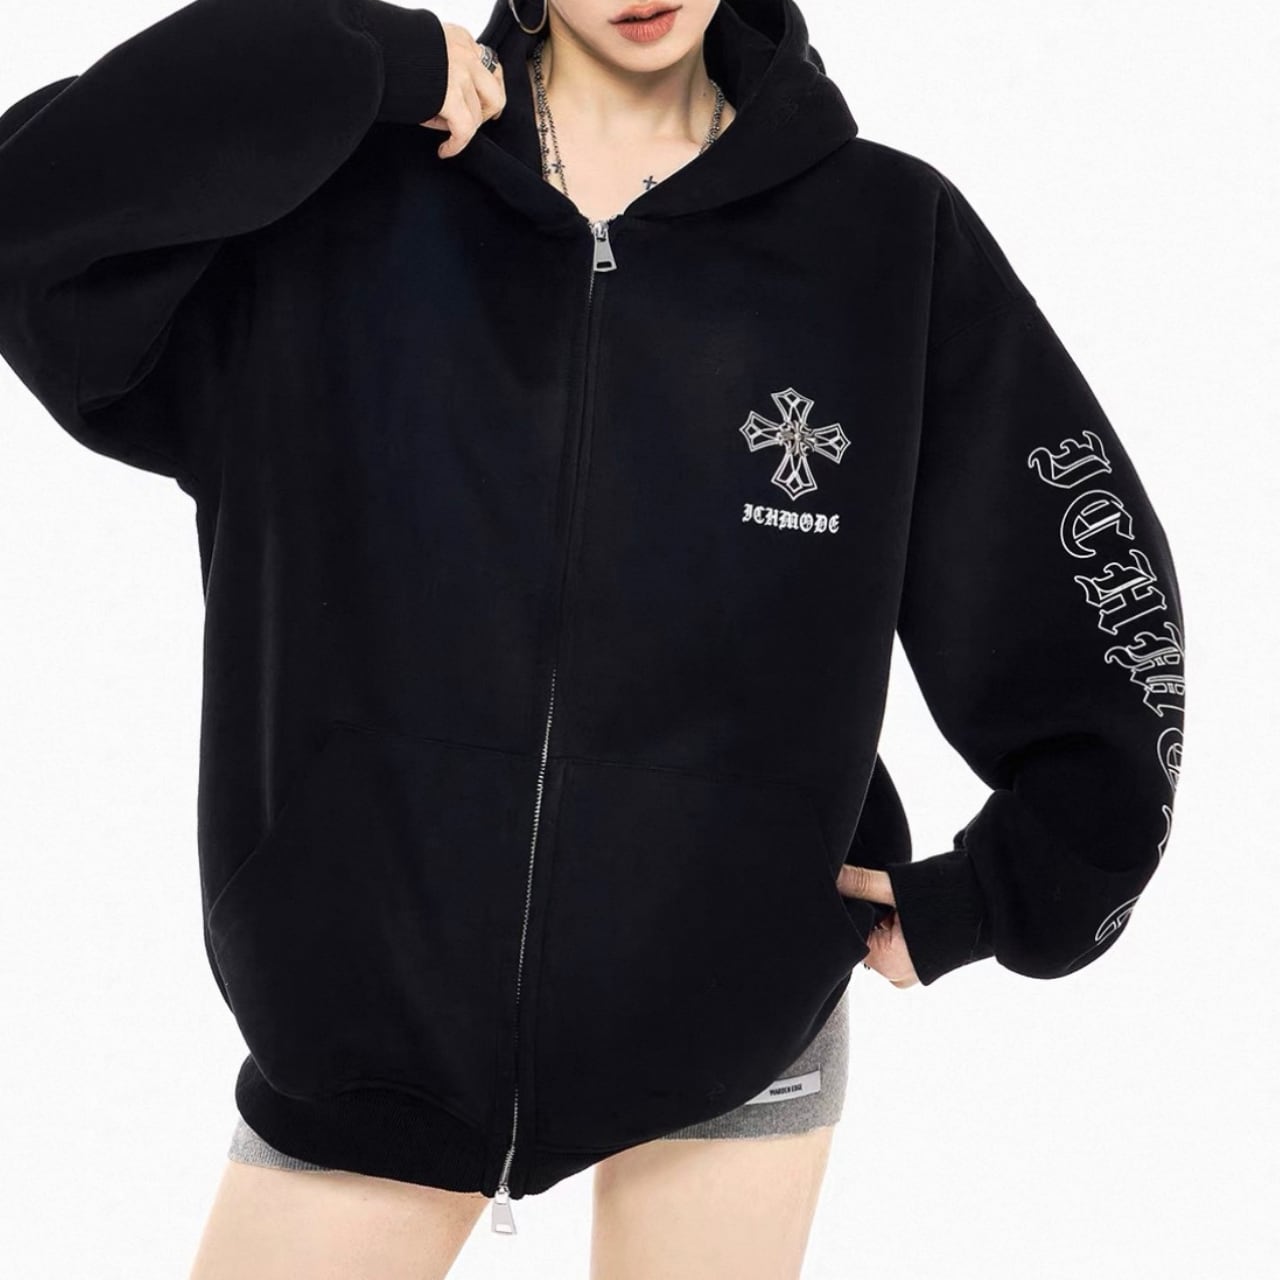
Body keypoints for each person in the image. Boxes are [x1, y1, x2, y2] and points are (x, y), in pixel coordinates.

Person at [0, 1, 1185, 1277]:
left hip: (735, 1024)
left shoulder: (884, 236)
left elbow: (1072, 574)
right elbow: (32, 217)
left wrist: (1013, 885)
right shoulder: (337, 192)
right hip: (361, 1027)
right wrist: (355, 58)